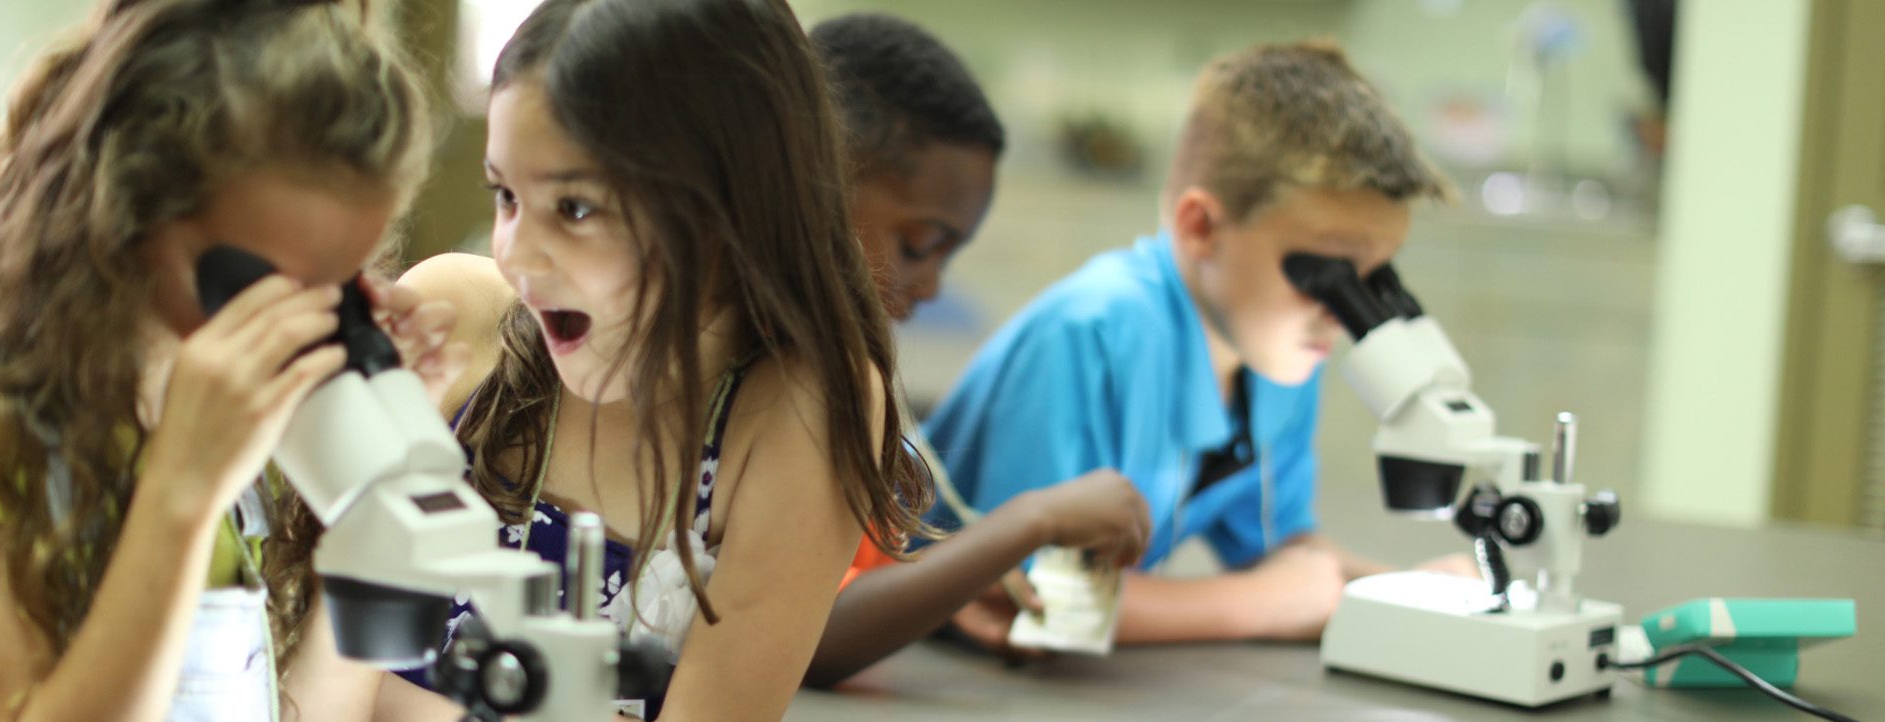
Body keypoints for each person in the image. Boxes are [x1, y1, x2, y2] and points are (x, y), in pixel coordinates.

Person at [394, 0, 934, 718]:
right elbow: (290, 659)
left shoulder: (795, 412)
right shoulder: (448, 320)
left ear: (725, 209)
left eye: (576, 208)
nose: (516, 255)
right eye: (506, 196)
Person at [0, 0, 469, 720]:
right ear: (128, 201)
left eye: (337, 284)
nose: (299, 322)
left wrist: (372, 504)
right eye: (266, 283)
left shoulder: (201, 380)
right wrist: (182, 492)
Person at [924, 40, 1475, 647]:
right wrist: (1258, 605)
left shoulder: (1279, 356)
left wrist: (1407, 591)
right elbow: (1026, 601)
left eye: (1375, 279)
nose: (1343, 316)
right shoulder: (1091, 332)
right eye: (1329, 273)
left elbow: (1281, 556)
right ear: (1201, 227)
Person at [800, 13, 1152, 686]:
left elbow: (847, 582)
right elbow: (809, 637)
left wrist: (939, 601)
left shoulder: (845, 377)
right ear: (815, 180)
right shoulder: (765, 379)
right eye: (920, 244)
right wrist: (1033, 519)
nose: (930, 285)